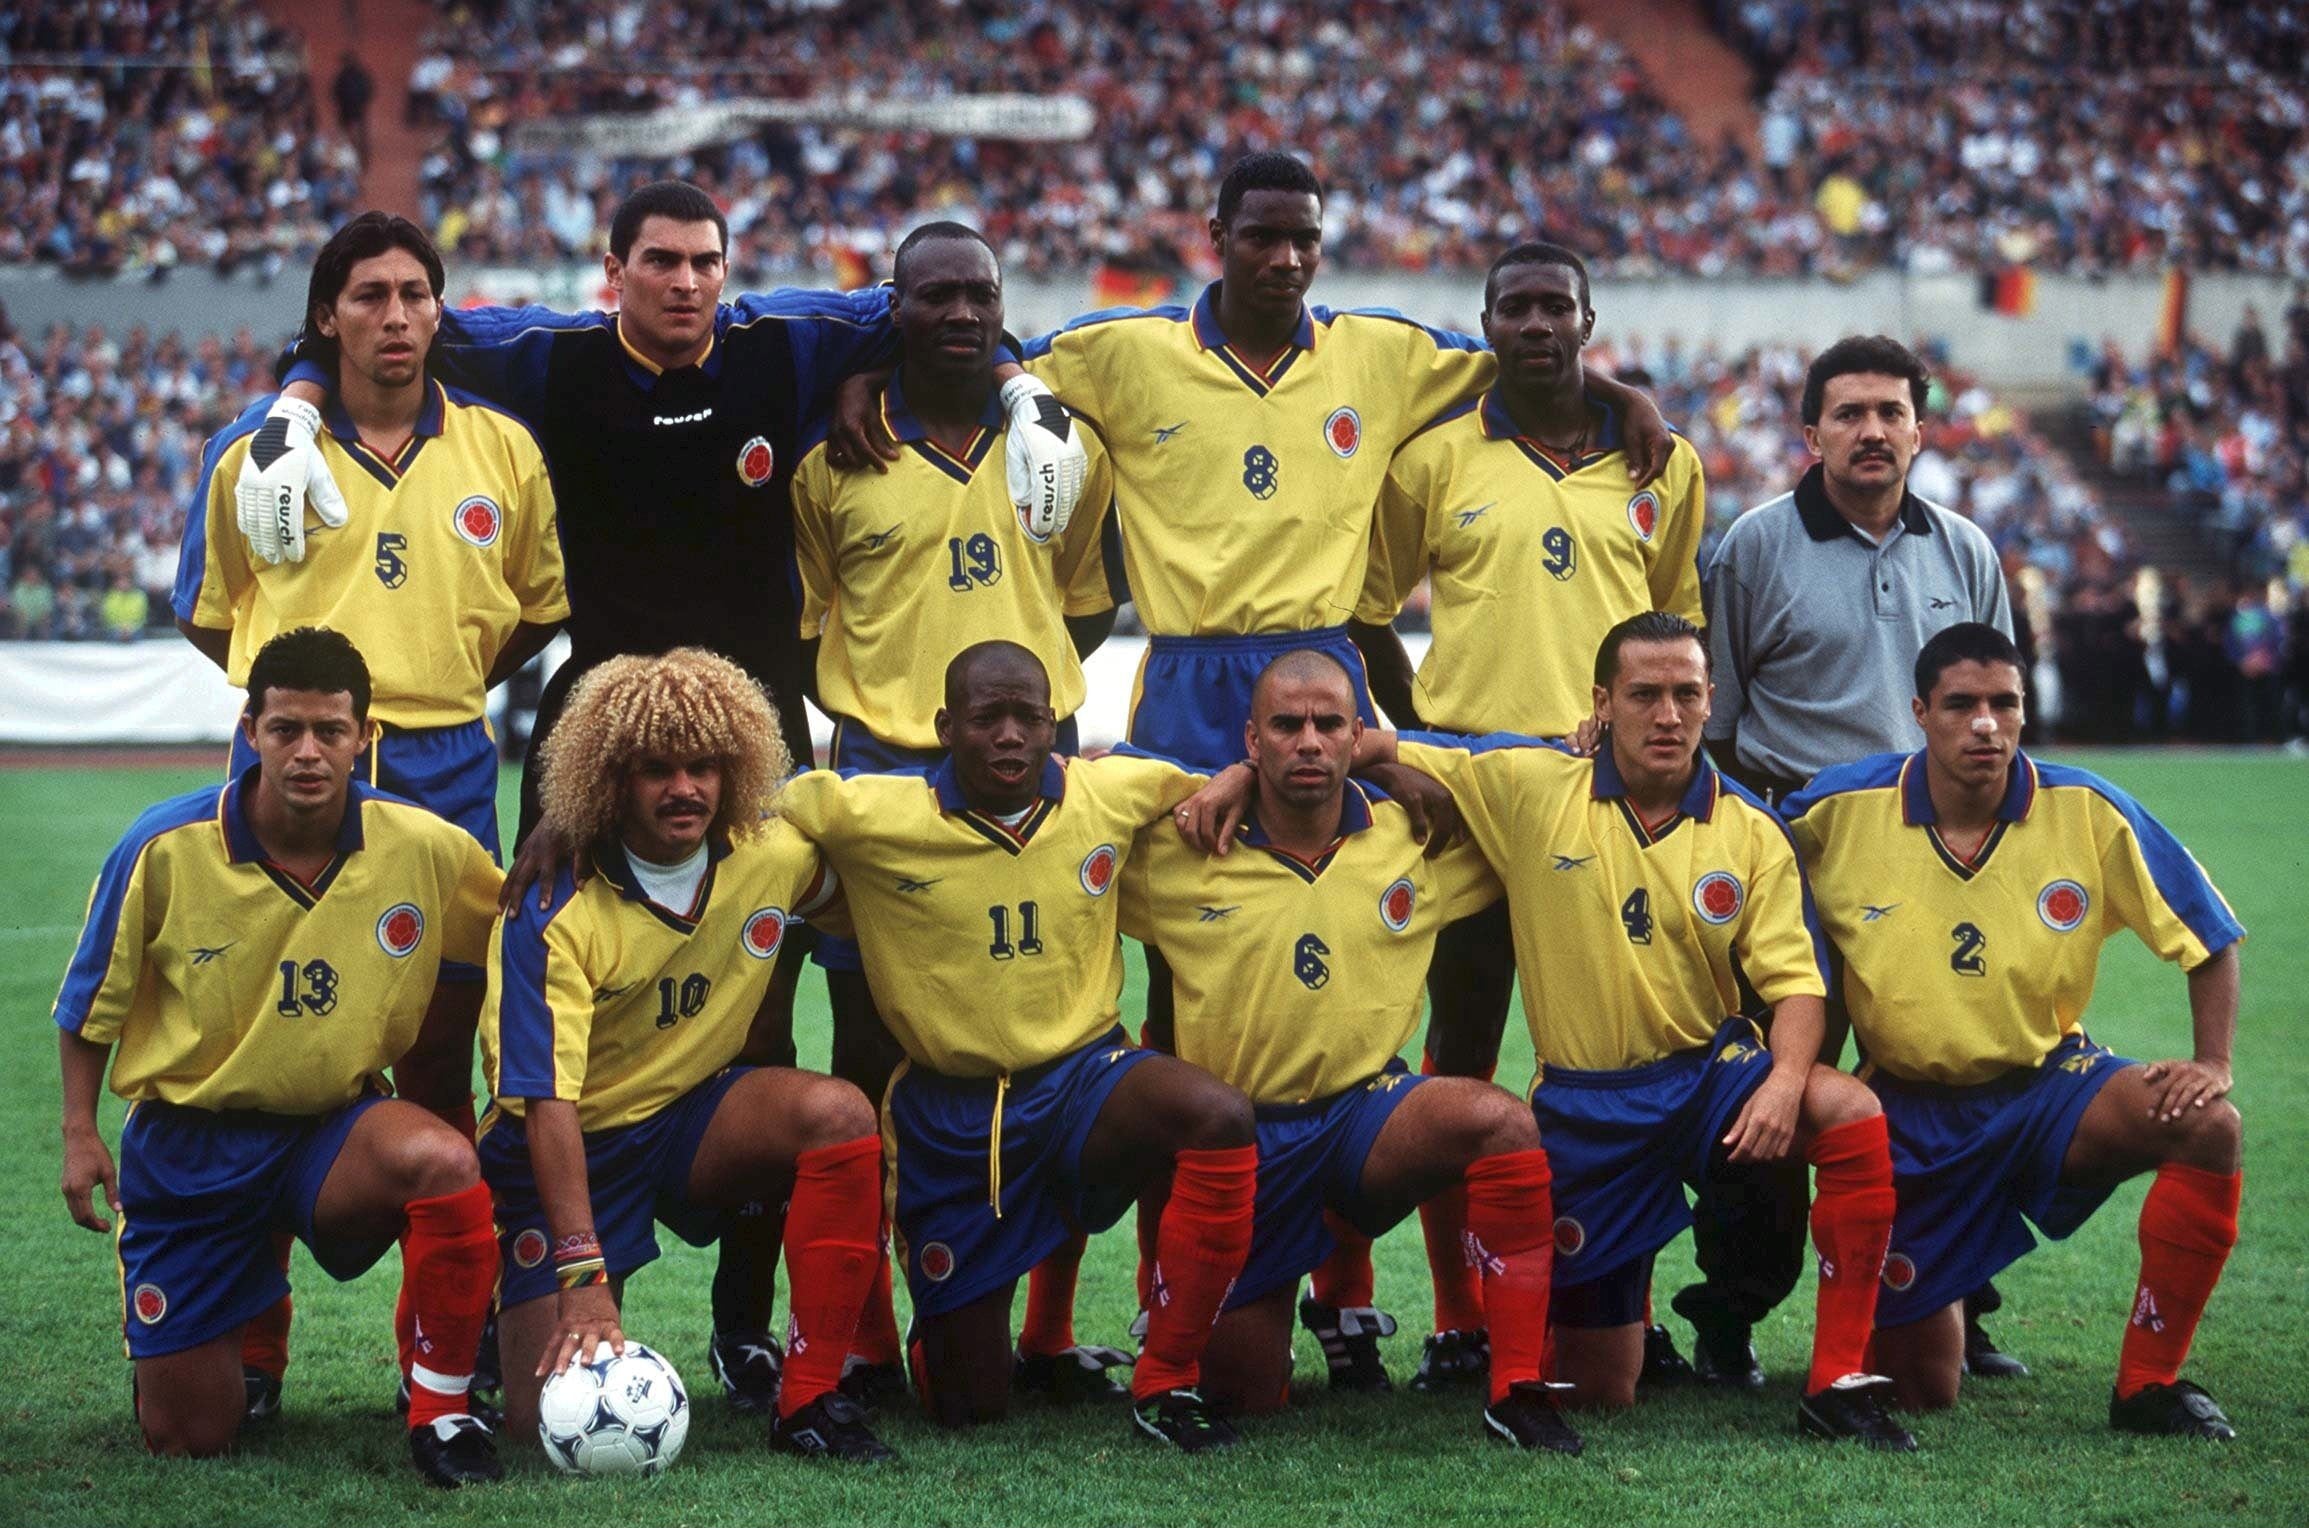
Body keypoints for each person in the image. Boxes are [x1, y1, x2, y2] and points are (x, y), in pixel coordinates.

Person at [252, 180, 1084, 1408]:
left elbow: (943, 313)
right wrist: (291, 400)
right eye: (660, 262)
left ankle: (747, 1326)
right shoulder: (545, 356)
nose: (686, 281)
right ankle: (521, 1302)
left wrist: (1018, 388)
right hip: (589, 747)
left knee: (758, 1024)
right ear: (613, 270)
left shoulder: (783, 342)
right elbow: (374, 321)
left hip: (755, 750)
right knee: (549, 1025)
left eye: (704, 261)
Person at [1010, 151, 1673, 1384]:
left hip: (1323, 683)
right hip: (1192, 680)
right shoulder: (1125, 350)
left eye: (1305, 236)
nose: (1286, 256)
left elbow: (1533, 360)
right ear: (1213, 233)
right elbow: (991, 358)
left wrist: (1621, 391)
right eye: (1261, 234)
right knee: (1168, 1015)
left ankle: (1355, 1297)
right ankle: (1082, 1321)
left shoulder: (1380, 349)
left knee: (1364, 975)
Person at [172, 210, 566, 1417]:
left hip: (448, 776)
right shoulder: (255, 452)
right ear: (327, 316)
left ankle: (439, 1355)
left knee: (448, 1071)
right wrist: (321, 722)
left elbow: (538, 611)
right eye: (368, 296)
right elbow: (211, 614)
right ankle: (256, 1349)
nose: (395, 317)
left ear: (440, 310)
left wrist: (434, 692)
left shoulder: (500, 447)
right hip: (303, 777)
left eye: (414, 294)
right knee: (274, 1065)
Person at [1350, 612, 1913, 1448]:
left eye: (1686, 694)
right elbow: (1362, 743)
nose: (1668, 714)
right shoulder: (1529, 783)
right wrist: (1237, 782)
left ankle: (1835, 1381)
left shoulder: (1749, 828)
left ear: (1710, 701)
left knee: (1850, 1111)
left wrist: (1786, 1083)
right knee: (1599, 1387)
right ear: (1600, 703)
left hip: (1707, 1080)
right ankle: (1526, 1358)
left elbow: (1797, 987)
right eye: (1643, 695)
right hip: (1586, 1103)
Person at [1349, 241, 1707, 1390]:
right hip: (1462, 797)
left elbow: (1678, 640)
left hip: (1605, 803)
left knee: (1620, 1056)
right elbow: (1363, 615)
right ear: (1487, 323)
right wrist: (1417, 741)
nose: (1538, 322)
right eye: (1517, 306)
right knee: (1457, 1044)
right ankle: (1459, 1315)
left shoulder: (1663, 462)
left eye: (1558, 304)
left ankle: (1621, 1303)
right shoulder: (1433, 459)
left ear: (1590, 320)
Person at [788, 221, 1124, 1403]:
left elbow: (1083, 600)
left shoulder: (1057, 443)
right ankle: (869, 1336)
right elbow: (806, 617)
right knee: (875, 1050)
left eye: (979, 294)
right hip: (887, 772)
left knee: (1061, 1033)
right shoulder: (836, 455)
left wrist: (1015, 704)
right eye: (934, 296)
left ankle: (1050, 1328)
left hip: (1036, 759)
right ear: (893, 307)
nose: (960, 315)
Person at [776, 641, 1260, 1452]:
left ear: (1054, 727)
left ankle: (1166, 1379)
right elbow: (759, 810)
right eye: (986, 718)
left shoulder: (1109, 790)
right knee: (968, 1407)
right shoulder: (869, 812)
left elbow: (1217, 783)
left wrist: (1240, 774)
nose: (1008, 736)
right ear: (944, 727)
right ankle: (931, 1342)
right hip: (953, 1116)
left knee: (1213, 1115)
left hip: (1083, 1083)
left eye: (1027, 718)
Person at [53, 627, 505, 1485]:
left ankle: (443, 1411)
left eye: (330, 730)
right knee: (189, 1438)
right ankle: (236, 1338)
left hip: (331, 1135)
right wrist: (80, 1131)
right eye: (286, 728)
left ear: (364, 736)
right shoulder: (163, 846)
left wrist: (561, 848)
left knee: (444, 1161)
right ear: (250, 728)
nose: (307, 752)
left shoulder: (423, 845)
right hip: (191, 1148)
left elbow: (523, 921)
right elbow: (86, 1008)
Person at [1784, 623, 2246, 1437]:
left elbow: (2208, 933)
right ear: (1920, 712)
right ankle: (1947, 1290)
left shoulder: (2087, 810)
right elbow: (1732, 841)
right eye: (1961, 705)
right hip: (1906, 1111)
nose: (1985, 724)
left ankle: (2147, 1385)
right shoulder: (1836, 809)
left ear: (2025, 713)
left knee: (2207, 1126)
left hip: (2046, 1088)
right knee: (1922, 1388)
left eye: (2004, 704)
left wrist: (2212, 1060)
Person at [1122, 650, 1578, 1453]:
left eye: (1329, 724)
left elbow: (1533, 790)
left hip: (1366, 1123)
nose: (1308, 741)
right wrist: (1215, 783)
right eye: (1286, 725)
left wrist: (1404, 760)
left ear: (1355, 735)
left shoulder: (1413, 839)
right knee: (1246, 1391)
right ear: (1250, 740)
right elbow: (1077, 813)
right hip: (1244, 1144)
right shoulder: (1185, 847)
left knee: (1498, 1121)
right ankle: (1219, 1311)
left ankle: (1516, 1386)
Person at [1700, 333, 2021, 1380]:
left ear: (1921, 430)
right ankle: (1731, 1317)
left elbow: (1992, 715)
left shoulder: (1964, 550)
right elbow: (1719, 727)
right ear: (1809, 432)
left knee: (1942, 1086)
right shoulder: (1750, 546)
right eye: (1848, 413)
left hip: (1933, 865)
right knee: (1770, 1086)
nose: (1871, 430)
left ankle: (1956, 1308)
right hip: (1793, 861)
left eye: (1890, 411)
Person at [481, 648, 893, 1461]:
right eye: (655, 770)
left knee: (837, 1114)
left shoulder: (771, 857)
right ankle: (488, 1324)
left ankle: (808, 1397)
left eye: (704, 766)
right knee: (537, 1428)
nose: (686, 789)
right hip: (570, 1149)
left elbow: (870, 905)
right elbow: (547, 1104)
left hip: (693, 1122)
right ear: (607, 780)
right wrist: (583, 1280)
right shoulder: (552, 905)